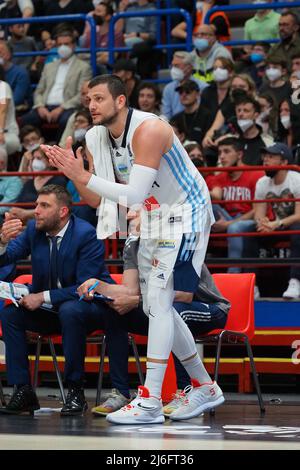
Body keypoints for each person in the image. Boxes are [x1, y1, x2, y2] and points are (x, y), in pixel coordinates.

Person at [42, 74, 224, 425]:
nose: (91, 106)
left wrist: (82, 176)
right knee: (160, 303)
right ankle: (203, 384)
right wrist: (75, 176)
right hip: (156, 213)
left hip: (186, 210)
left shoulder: (149, 129)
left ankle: (152, 399)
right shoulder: (97, 138)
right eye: (88, 100)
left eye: (98, 99)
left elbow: (135, 194)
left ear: (121, 101)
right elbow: (97, 199)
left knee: (157, 300)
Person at [77, 213, 230, 418]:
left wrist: (138, 301)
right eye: (129, 210)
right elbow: (130, 291)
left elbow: (184, 294)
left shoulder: (175, 236)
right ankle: (121, 392)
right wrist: (99, 285)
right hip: (160, 303)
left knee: (174, 311)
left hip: (208, 307)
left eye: (136, 210)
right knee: (114, 313)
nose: (130, 214)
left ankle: (186, 392)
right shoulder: (133, 245)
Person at [0, 184, 113, 416]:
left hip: (90, 308)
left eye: (44, 205)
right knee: (11, 314)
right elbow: (8, 257)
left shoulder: (85, 234)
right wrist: (2, 242)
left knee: (70, 310)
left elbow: (84, 288)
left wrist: (41, 297)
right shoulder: (34, 230)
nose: (36, 211)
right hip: (53, 310)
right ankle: (23, 391)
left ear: (62, 212)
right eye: (36, 205)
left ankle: (75, 391)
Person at [244, 143, 300, 300]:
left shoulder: (296, 179)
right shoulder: (262, 182)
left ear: (283, 163)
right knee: (249, 231)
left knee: (298, 229)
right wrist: (263, 224)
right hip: (276, 226)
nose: (265, 160)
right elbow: (259, 213)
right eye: (265, 157)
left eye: (271, 157)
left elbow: (299, 214)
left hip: (291, 224)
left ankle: (295, 281)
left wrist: (276, 224)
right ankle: (251, 284)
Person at [19, 28, 92, 138]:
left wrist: (61, 108)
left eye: (66, 44)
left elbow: (81, 95)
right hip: (45, 106)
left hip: (68, 107)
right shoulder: (49, 66)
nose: (63, 47)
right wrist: (39, 106)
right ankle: (33, 151)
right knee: (24, 120)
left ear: (73, 45)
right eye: (60, 44)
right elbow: (39, 90)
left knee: (66, 121)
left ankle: (59, 151)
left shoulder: (83, 67)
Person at [208, 136, 264, 273]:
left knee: (235, 227)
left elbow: (257, 210)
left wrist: (228, 225)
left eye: (227, 152)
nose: (222, 157)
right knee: (210, 206)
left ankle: (233, 276)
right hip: (228, 218)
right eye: (220, 152)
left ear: (239, 154)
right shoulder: (219, 177)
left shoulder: (256, 174)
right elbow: (215, 196)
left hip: (249, 219)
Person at [161, 50, 208, 120]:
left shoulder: (203, 87)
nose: (173, 69)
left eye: (176, 66)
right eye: (172, 65)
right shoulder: (168, 88)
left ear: (189, 68)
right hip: (174, 126)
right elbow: (166, 115)